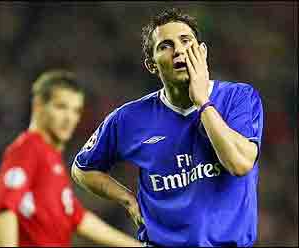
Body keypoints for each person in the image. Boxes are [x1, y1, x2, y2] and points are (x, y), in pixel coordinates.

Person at [71, 8, 264, 247]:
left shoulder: (239, 98)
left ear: (202, 52)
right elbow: (82, 169)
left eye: (186, 41)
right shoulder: (129, 118)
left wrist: (203, 102)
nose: (179, 51)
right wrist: (127, 200)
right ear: (151, 64)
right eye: (166, 46)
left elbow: (240, 163)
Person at [0, 69, 143, 247]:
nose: (69, 118)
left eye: (76, 111)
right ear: (39, 105)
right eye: (61, 107)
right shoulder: (28, 148)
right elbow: (3, 209)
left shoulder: (52, 160)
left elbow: (78, 219)